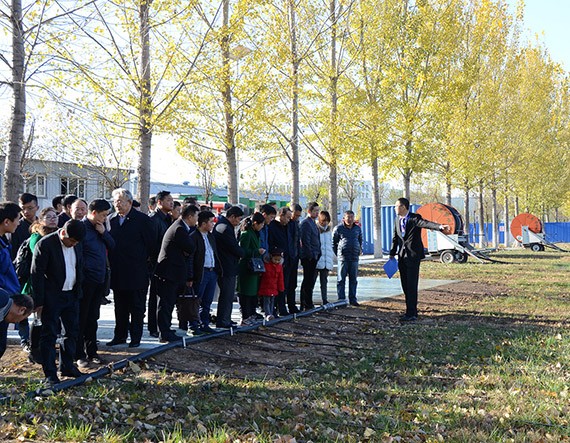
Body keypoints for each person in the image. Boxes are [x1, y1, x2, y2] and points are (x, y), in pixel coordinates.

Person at [31, 219, 86, 385]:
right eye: (72, 241)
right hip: (51, 298)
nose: (73, 244)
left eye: (76, 242)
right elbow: (37, 274)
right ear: (63, 233)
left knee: (71, 332)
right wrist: (39, 301)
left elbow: (78, 267)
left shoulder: (77, 244)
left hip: (71, 295)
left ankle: (67, 366)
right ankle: (50, 373)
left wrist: (78, 291)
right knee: (49, 335)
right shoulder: (45, 244)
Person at [107, 188, 154, 348]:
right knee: (120, 307)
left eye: (120, 201)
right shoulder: (111, 220)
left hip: (137, 271)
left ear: (129, 202)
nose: (117, 204)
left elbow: (152, 244)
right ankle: (119, 336)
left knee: (137, 307)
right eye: (115, 201)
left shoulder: (142, 220)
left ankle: (135, 337)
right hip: (118, 271)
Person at [389, 198, 449, 321]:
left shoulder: (414, 218)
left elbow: (425, 223)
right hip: (402, 256)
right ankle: (409, 310)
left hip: (413, 256)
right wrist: (392, 253)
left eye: (397, 206)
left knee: (412, 285)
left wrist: (439, 226)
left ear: (403, 207)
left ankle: (412, 313)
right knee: (405, 285)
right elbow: (395, 238)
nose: (395, 208)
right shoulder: (396, 220)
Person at [76, 200, 115, 368]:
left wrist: (104, 233)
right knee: (81, 318)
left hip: (99, 279)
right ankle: (79, 353)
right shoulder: (81, 228)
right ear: (93, 213)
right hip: (85, 281)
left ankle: (92, 351)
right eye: (103, 215)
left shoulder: (100, 228)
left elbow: (112, 245)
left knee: (93, 318)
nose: (105, 218)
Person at [16, 207, 59, 358]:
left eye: (55, 216)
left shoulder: (58, 234)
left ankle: (45, 346)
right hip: (35, 282)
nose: (53, 219)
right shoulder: (36, 236)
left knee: (47, 317)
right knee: (36, 316)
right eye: (49, 217)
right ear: (40, 220)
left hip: (52, 284)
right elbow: (40, 258)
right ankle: (34, 349)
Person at [153, 204, 196, 342]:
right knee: (165, 303)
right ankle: (164, 332)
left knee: (169, 303)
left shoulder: (181, 227)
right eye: (196, 216)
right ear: (190, 217)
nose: (197, 220)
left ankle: (166, 329)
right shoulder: (179, 228)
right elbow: (191, 247)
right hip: (168, 272)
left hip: (173, 272)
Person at [188, 211, 221, 334]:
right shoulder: (194, 236)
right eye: (211, 222)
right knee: (196, 300)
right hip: (201, 273)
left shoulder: (210, 236)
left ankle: (204, 323)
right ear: (203, 223)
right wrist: (190, 276)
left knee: (207, 301)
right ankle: (193, 325)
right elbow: (191, 258)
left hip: (212, 271)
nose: (213, 224)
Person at [147, 190, 174, 338]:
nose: (171, 202)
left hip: (167, 264)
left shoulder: (168, 219)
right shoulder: (154, 219)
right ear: (159, 202)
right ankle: (154, 327)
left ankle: (164, 325)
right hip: (156, 264)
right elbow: (152, 244)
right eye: (168, 200)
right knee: (155, 297)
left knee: (165, 298)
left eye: (172, 200)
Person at [213, 206, 244, 329]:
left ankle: (225, 318)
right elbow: (233, 247)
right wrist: (243, 252)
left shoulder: (224, 226)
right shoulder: (224, 228)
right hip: (226, 266)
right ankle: (223, 320)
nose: (239, 222)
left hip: (227, 265)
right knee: (227, 295)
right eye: (238, 219)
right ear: (232, 217)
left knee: (228, 295)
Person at [237, 213, 265, 325]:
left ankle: (251, 314)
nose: (262, 226)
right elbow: (243, 250)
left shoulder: (255, 233)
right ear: (255, 223)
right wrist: (256, 251)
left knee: (253, 293)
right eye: (261, 224)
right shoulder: (247, 234)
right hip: (247, 267)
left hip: (254, 268)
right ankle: (245, 315)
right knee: (246, 293)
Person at [267, 206, 295, 315]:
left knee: (285, 285)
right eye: (287, 217)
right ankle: (274, 308)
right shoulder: (272, 226)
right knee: (274, 285)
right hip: (276, 259)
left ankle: (282, 307)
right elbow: (270, 242)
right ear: (281, 215)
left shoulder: (289, 226)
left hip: (288, 259)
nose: (288, 220)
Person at [333, 210, 363, 306]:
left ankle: (353, 299)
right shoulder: (338, 228)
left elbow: (360, 240)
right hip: (343, 258)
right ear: (344, 218)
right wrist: (339, 254)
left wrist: (358, 250)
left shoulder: (357, 229)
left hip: (354, 258)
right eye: (348, 217)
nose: (350, 219)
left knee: (353, 280)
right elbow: (334, 243)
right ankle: (341, 300)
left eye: (351, 217)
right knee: (341, 280)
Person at [299, 202, 321, 310]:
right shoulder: (306, 223)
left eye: (318, 211)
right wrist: (310, 255)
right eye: (315, 211)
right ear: (309, 211)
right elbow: (306, 241)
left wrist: (318, 253)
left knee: (311, 280)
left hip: (314, 255)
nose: (317, 213)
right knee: (307, 280)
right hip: (308, 257)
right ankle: (305, 303)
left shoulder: (313, 223)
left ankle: (308, 302)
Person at [0, 291, 34, 359]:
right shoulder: (2, 301)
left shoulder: (4, 312)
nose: (17, 322)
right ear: (22, 310)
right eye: (24, 318)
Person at [258, 248, 284, 321]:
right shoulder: (266, 265)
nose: (277, 261)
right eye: (275, 259)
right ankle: (268, 314)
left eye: (278, 260)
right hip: (266, 287)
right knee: (267, 301)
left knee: (272, 302)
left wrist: (281, 288)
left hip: (274, 287)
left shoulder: (279, 267)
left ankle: (271, 313)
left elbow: (280, 278)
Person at [10, 193, 38, 260]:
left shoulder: (43, 225)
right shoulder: (16, 227)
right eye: (22, 208)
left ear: (37, 208)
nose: (26, 212)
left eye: (30, 208)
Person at [315, 210, 334, 305]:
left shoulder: (329, 231)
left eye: (327, 220)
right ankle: (306, 301)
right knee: (311, 282)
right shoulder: (315, 229)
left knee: (324, 282)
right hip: (316, 260)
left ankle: (325, 299)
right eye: (323, 220)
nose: (325, 223)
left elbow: (330, 245)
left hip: (326, 261)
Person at [287, 204, 303, 313]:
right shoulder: (287, 224)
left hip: (295, 256)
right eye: (295, 215)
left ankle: (292, 305)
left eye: (298, 216)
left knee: (293, 283)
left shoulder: (296, 224)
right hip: (288, 257)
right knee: (286, 283)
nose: (297, 217)